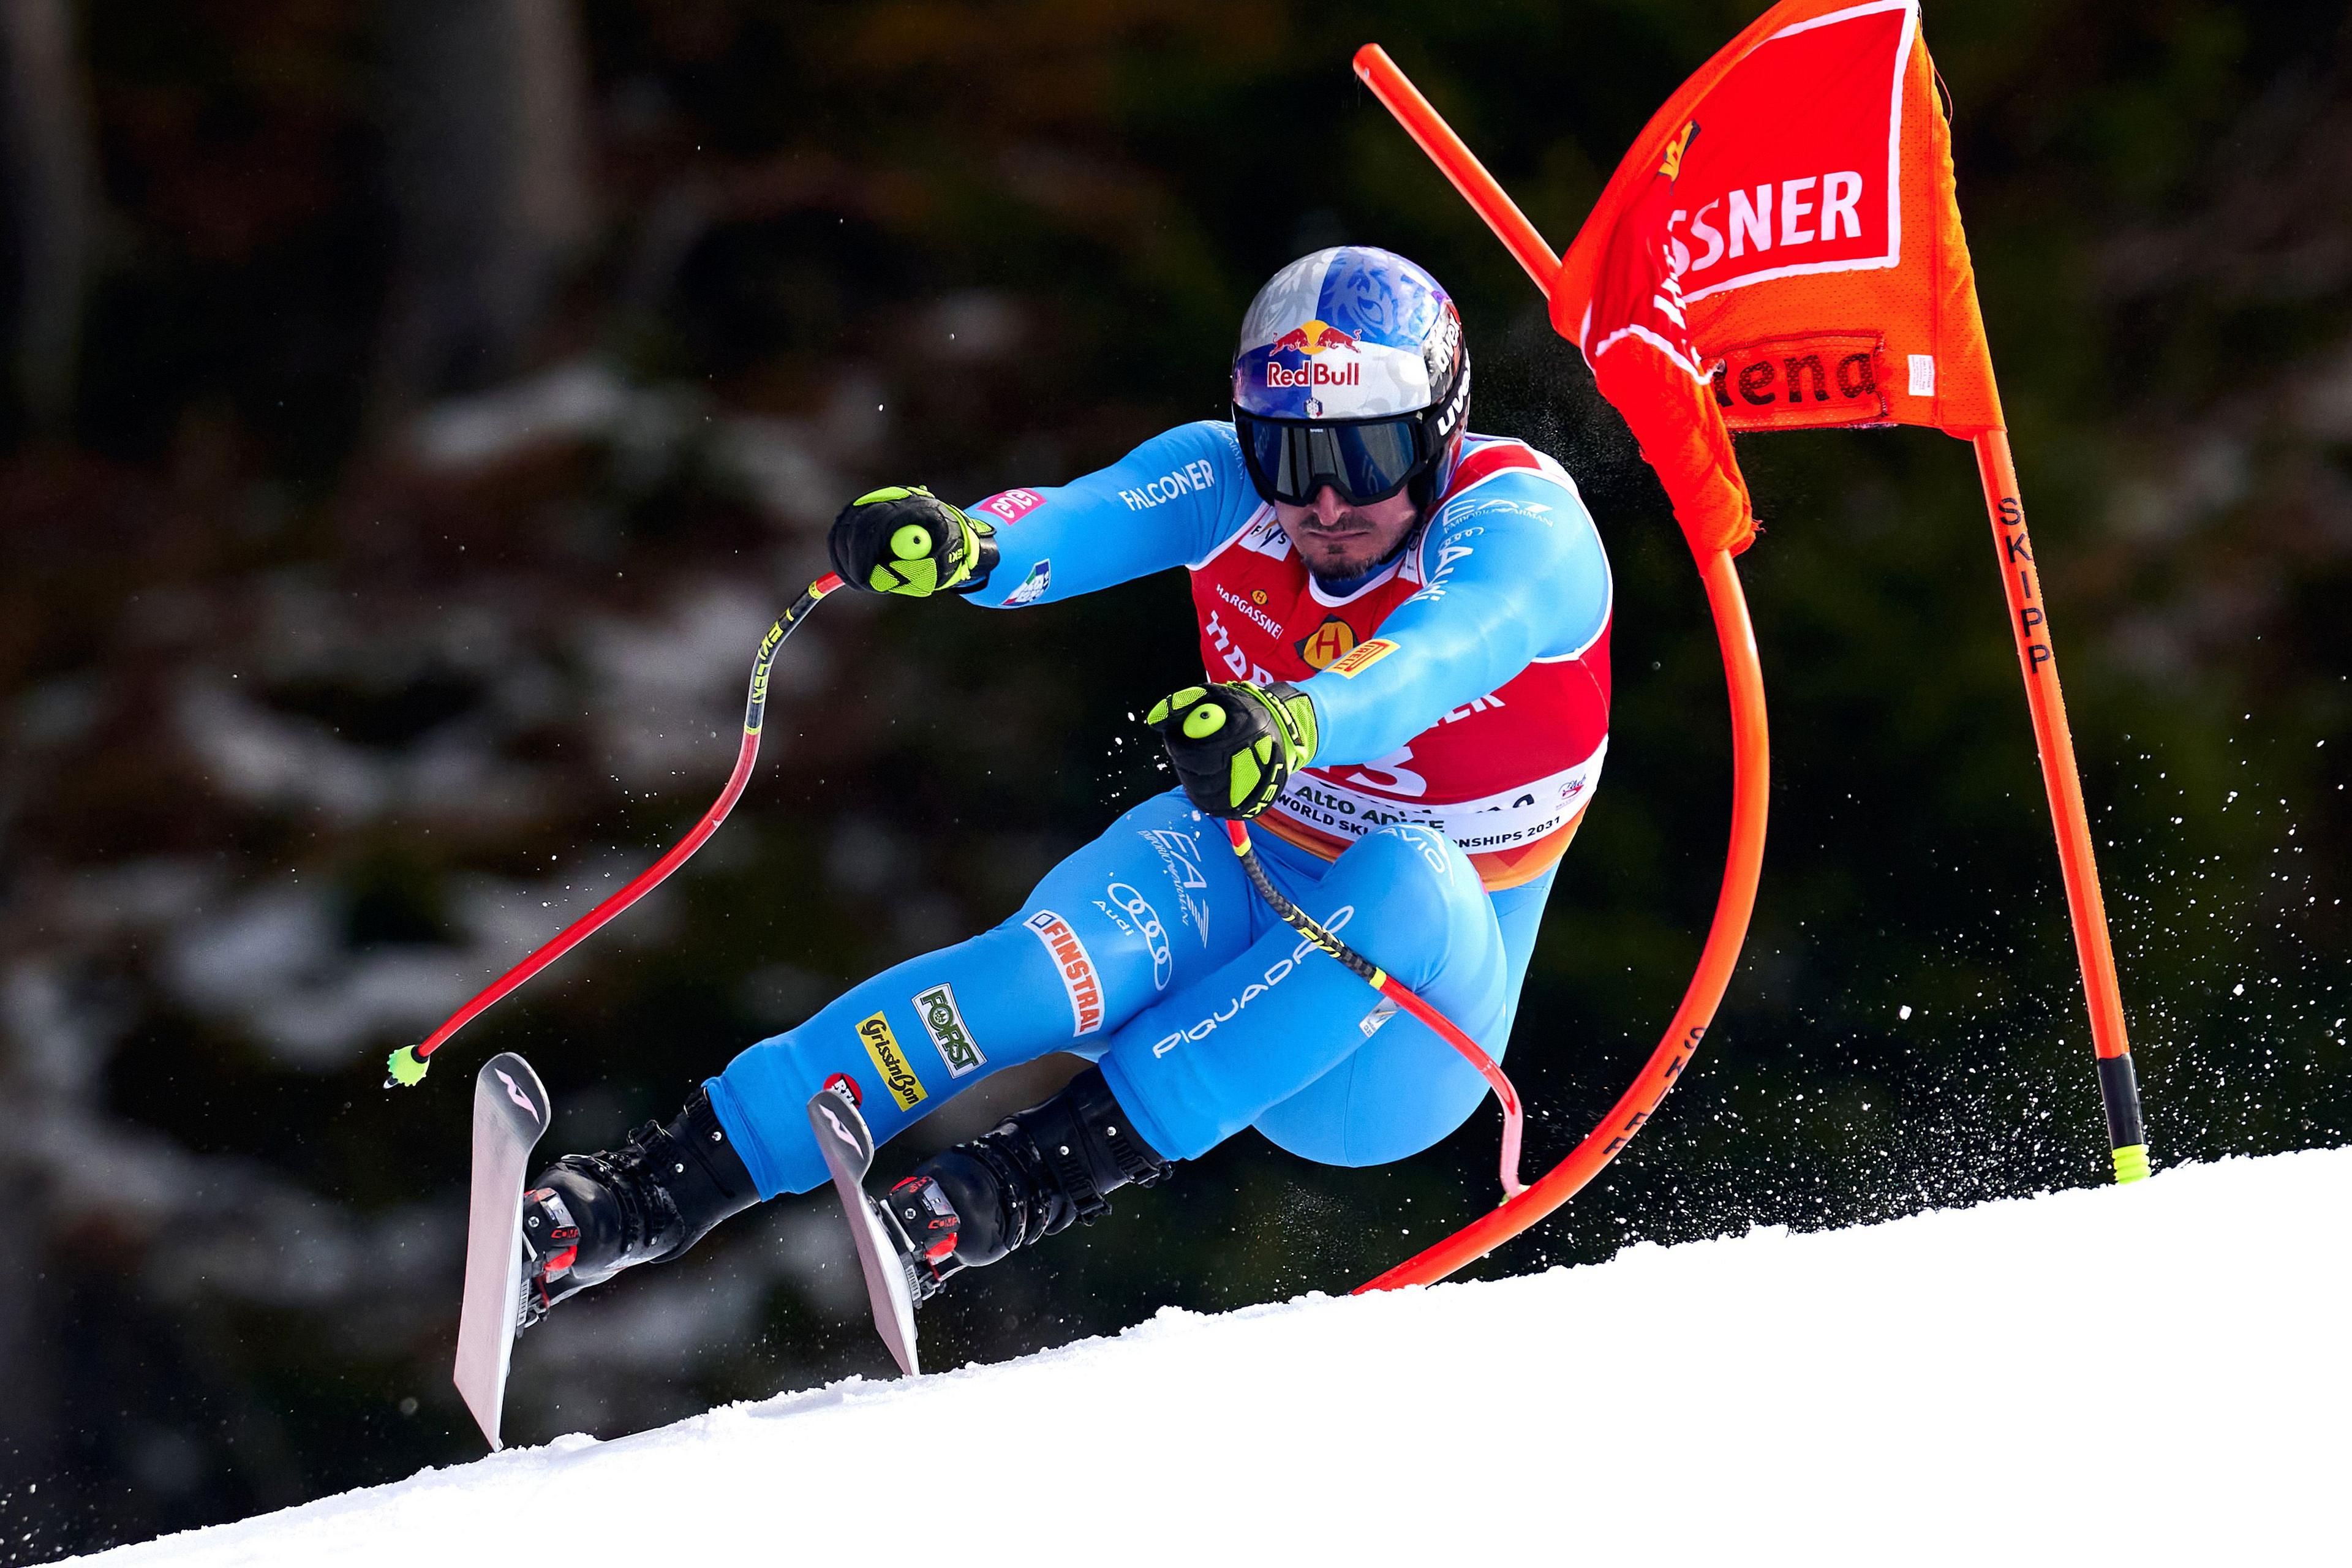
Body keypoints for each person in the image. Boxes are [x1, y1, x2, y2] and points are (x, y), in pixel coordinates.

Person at [513, 245, 1613, 1324]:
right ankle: (635, 1202)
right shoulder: (1226, 482)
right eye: (1287, 456)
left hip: (1394, 1045)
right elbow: (1082, 517)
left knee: (1414, 874)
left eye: (1366, 458)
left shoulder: (1524, 527)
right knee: (1033, 975)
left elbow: (1444, 651)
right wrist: (963, 546)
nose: (1324, 502)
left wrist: (1296, 719)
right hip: (1248, 878)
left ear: (1440, 430)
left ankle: (1022, 1181)